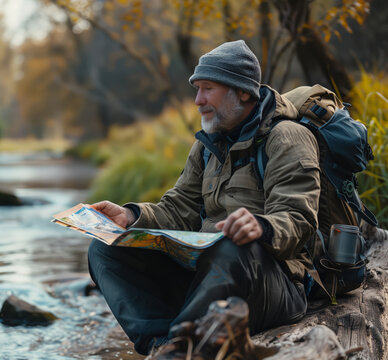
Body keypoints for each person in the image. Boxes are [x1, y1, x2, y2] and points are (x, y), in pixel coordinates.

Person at [87, 40, 320, 356]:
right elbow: (178, 207)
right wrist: (130, 216)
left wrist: (261, 226)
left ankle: (183, 345)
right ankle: (162, 343)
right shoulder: (208, 144)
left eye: (207, 88)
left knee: (233, 244)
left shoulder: (287, 138)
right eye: (197, 89)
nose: (197, 100)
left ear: (242, 91)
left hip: (275, 286)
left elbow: (299, 217)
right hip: (209, 279)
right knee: (105, 247)